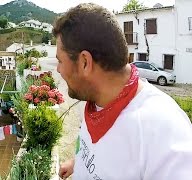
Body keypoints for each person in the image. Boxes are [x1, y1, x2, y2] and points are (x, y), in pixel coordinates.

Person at [54, 3, 192, 180]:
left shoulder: (163, 132)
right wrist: (77, 163)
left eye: (60, 60)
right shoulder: (96, 101)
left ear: (85, 63)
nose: (58, 69)